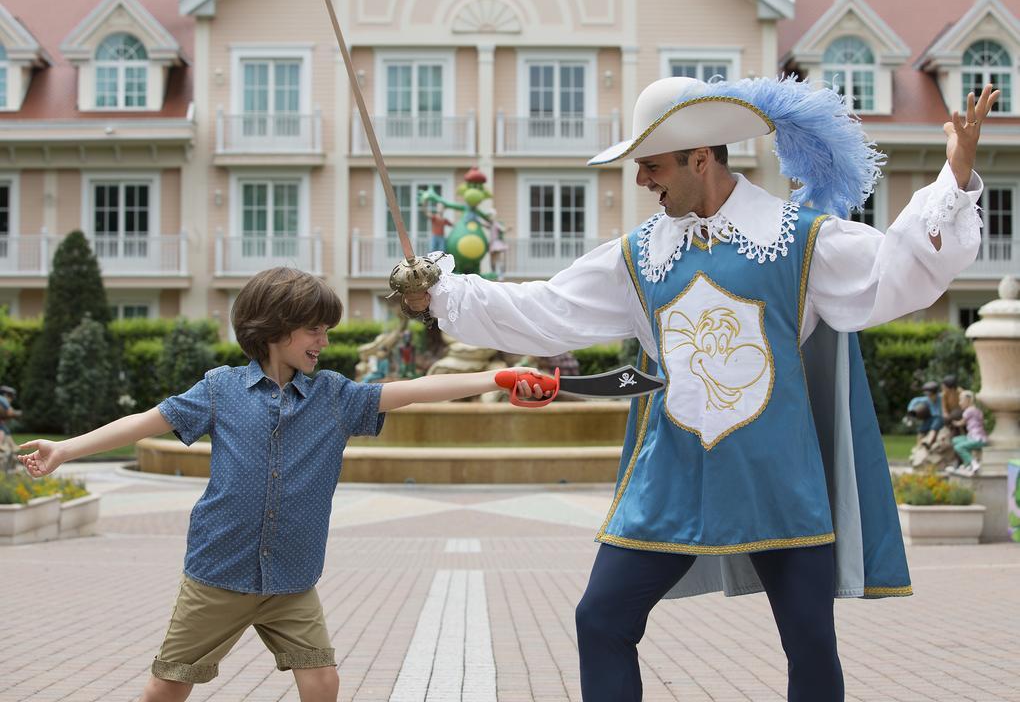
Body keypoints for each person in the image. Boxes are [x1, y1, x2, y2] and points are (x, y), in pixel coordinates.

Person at [402, 75, 999, 702]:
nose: (642, 181)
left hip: (778, 481)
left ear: (700, 158)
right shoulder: (640, 255)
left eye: (652, 166)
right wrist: (442, 295)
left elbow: (893, 274)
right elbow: (547, 308)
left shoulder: (799, 237)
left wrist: (952, 182)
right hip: (673, 476)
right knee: (600, 618)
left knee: (810, 643)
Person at [17, 266, 550, 702]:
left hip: (292, 580)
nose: (325, 339)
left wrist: (499, 378)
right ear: (274, 328)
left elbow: (411, 390)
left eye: (325, 329)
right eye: (314, 329)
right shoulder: (221, 390)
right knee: (167, 687)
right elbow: (150, 420)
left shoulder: (335, 397)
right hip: (217, 574)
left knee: (321, 682)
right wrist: (66, 448)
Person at [950, 389, 987, 475]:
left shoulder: (968, 411)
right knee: (956, 440)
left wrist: (953, 422)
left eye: (961, 400)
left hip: (976, 439)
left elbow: (961, 423)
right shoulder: (977, 410)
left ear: (967, 400)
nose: (960, 403)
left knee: (958, 447)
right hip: (977, 437)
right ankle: (967, 463)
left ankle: (973, 463)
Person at [0, 385, 21, 474]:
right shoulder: (3, 400)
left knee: (4, 429)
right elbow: (10, 412)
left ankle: (11, 446)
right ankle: (3, 445)